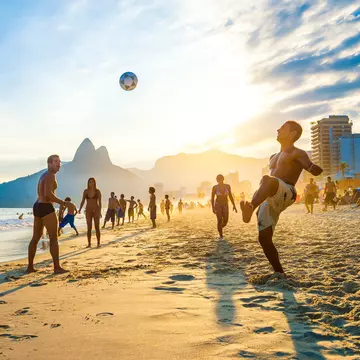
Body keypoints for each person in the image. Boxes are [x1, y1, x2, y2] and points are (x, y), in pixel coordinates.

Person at [240, 121, 323, 275]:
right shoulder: (273, 156)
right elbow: (267, 182)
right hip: (270, 197)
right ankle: (279, 273)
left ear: (293, 134)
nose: (278, 129)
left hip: (287, 191)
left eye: (283, 128)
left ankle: (250, 207)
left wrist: (314, 169)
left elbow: (309, 166)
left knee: (268, 179)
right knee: (264, 239)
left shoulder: (297, 153)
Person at [27, 155, 67, 274]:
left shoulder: (44, 175)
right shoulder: (50, 175)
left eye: (59, 162)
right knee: (53, 238)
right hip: (45, 207)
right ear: (49, 163)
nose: (58, 164)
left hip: (38, 206)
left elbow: (42, 193)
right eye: (56, 162)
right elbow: (48, 194)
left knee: (35, 238)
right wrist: (63, 203)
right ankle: (57, 267)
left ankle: (30, 267)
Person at [211, 174, 237, 239]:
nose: (219, 181)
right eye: (218, 179)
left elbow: (230, 196)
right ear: (217, 180)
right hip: (218, 204)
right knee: (219, 220)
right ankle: (221, 235)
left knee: (225, 221)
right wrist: (213, 207)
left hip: (225, 204)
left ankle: (219, 228)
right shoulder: (214, 187)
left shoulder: (227, 186)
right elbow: (212, 198)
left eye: (220, 179)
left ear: (223, 179)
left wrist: (234, 205)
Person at [79, 178, 102, 248]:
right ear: (88, 183)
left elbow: (100, 202)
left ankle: (98, 243)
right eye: (90, 182)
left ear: (95, 183)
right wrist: (79, 209)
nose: (91, 183)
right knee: (89, 228)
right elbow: (83, 200)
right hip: (88, 210)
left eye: (92, 182)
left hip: (96, 210)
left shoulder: (97, 191)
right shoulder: (85, 191)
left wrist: (100, 211)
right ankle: (89, 243)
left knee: (97, 227)